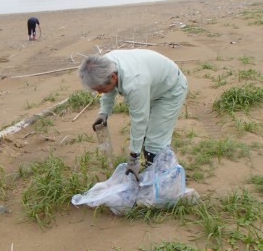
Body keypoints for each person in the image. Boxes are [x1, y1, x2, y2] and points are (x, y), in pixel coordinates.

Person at [78, 50, 188, 180]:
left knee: (155, 142)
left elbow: (139, 120)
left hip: (170, 90)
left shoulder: (135, 83)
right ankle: (152, 170)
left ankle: (161, 180)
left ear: (113, 77)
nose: (100, 92)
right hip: (154, 85)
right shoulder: (105, 64)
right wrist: (104, 112)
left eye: (100, 89)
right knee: (147, 137)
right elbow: (109, 90)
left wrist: (133, 157)